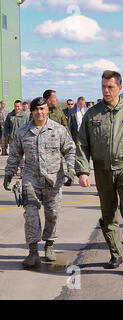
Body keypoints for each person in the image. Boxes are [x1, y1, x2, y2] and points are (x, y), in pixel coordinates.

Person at [75, 70, 123, 274]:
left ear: (119, 88)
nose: (106, 90)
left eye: (110, 87)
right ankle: (115, 254)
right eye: (103, 86)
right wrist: (83, 171)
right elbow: (82, 144)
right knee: (108, 215)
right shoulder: (92, 114)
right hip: (102, 171)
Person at [3, 97, 75, 267]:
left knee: (53, 214)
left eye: (42, 109)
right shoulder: (23, 131)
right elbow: (15, 154)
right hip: (30, 179)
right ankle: (33, 251)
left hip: (53, 179)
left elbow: (70, 150)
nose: (39, 112)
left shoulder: (58, 130)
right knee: (30, 215)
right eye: (36, 109)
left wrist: (71, 171)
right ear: (32, 111)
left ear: (47, 110)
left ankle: (49, 245)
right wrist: (9, 173)